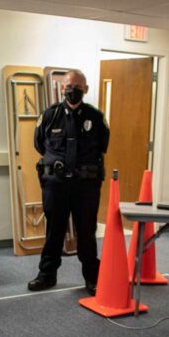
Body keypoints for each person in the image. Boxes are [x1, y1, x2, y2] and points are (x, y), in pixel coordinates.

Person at [28, 70, 109, 293]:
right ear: (62, 88)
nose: (73, 90)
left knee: (86, 232)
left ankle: (92, 278)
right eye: (69, 86)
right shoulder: (50, 115)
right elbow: (39, 144)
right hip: (57, 184)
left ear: (86, 90)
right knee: (54, 231)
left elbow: (103, 145)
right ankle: (47, 275)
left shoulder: (95, 117)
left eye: (78, 87)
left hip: (86, 186)